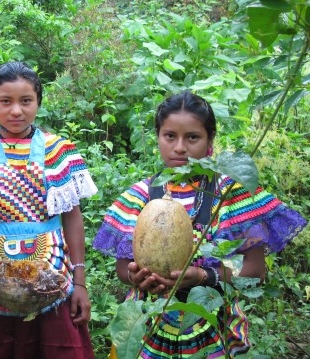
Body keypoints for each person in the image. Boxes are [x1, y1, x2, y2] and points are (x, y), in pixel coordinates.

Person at [93, 91, 308, 358]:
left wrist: (205, 277)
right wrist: (136, 278)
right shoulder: (139, 197)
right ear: (158, 137)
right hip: (148, 327)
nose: (180, 147)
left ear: (210, 140)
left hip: (214, 326)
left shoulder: (231, 194)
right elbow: (123, 269)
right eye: (170, 136)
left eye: (192, 137)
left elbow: (255, 271)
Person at [0, 61, 98, 359]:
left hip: (53, 265)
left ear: (38, 102)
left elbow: (72, 217)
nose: (16, 111)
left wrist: (79, 281)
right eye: (5, 101)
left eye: (26, 101)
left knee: (57, 345)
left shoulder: (60, 152)